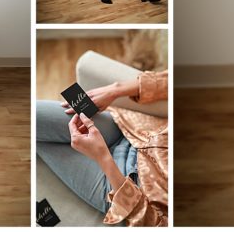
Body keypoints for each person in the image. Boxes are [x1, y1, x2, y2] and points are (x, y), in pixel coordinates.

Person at [36, 69, 168, 227]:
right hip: (132, 128)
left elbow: (154, 223)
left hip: (125, 186)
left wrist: (103, 158)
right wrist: (115, 89)